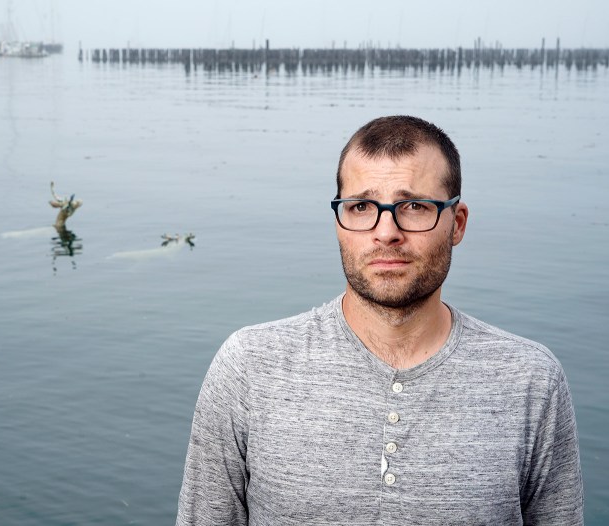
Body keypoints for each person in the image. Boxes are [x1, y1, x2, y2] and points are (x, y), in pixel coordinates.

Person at [176, 116, 583, 525]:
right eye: (361, 207)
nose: (386, 232)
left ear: (456, 223)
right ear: (339, 221)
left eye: (414, 206)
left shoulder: (531, 381)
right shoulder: (249, 367)